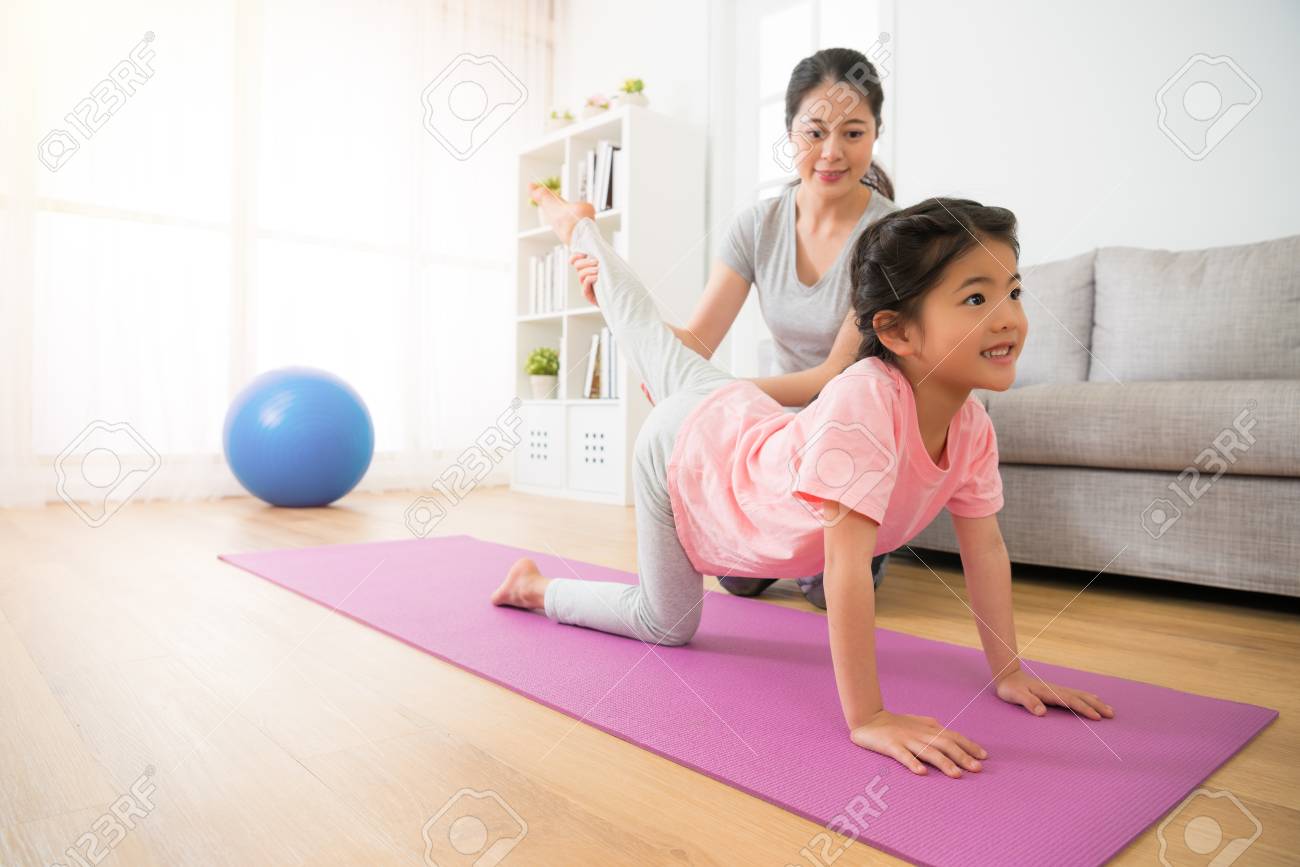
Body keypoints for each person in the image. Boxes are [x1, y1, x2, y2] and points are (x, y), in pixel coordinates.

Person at [492, 186, 1115, 777]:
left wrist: (1009, 670)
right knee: (666, 624)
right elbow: (844, 571)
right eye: (978, 299)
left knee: (644, 329)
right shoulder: (865, 404)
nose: (1009, 318)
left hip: (736, 409)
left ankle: (578, 226)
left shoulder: (972, 424)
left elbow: (986, 549)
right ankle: (536, 590)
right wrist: (869, 717)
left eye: (1013, 292)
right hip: (688, 454)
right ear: (898, 331)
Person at [572, 47, 899, 608]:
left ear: (875, 135)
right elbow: (697, 343)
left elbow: (832, 377)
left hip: (849, 430)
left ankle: (853, 544)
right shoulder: (758, 224)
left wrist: (722, 396)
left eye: (853, 133)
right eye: (814, 132)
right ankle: (787, 534)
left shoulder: (890, 234)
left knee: (828, 594)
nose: (831, 152)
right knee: (738, 578)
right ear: (789, 132)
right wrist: (616, 301)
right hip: (777, 435)